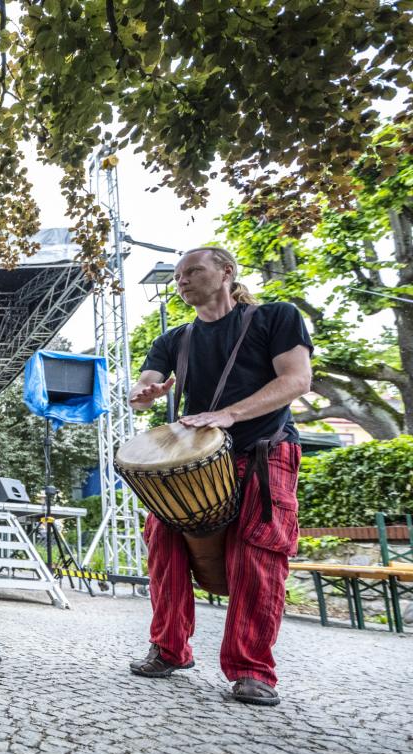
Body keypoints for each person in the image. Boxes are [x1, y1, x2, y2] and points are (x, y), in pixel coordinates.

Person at [128, 246, 312, 707]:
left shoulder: (275, 317)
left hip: (264, 446)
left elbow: (296, 380)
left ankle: (252, 670)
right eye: (177, 276)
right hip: (196, 459)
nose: (182, 281)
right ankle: (169, 648)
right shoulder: (175, 339)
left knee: (258, 551)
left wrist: (230, 414)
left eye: (192, 271)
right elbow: (143, 384)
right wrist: (145, 392)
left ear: (227, 271)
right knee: (163, 541)